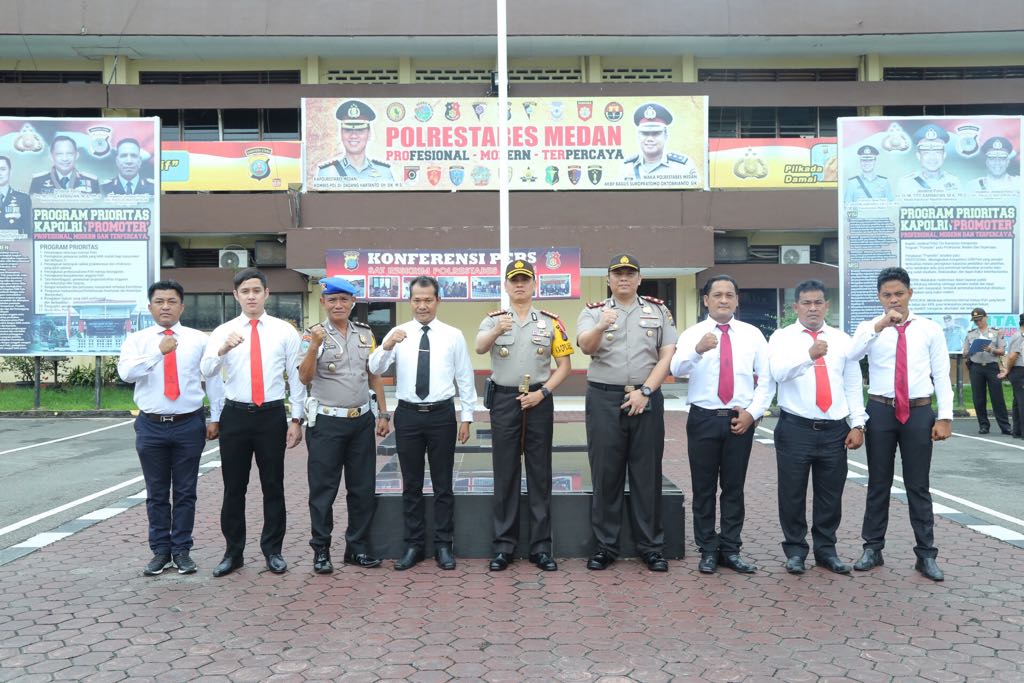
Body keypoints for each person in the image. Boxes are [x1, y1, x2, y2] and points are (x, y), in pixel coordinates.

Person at [848, 267, 952, 582]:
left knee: (918, 485)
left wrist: (945, 416)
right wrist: (879, 326)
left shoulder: (929, 329)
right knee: (878, 483)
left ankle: (926, 554)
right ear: (879, 298)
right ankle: (872, 548)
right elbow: (851, 356)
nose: (894, 300)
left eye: (899, 293)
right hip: (880, 411)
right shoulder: (869, 327)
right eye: (887, 295)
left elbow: (942, 373)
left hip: (919, 413)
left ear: (910, 293)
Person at [201, 268, 306, 577]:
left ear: (266, 294)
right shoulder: (224, 331)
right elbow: (206, 371)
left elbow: (296, 376)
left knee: (273, 486)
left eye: (256, 291)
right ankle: (233, 553)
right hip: (236, 416)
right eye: (244, 291)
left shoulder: (284, 331)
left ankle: (273, 550)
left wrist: (297, 418)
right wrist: (222, 350)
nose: (251, 296)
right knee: (234, 488)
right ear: (236, 296)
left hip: (271, 415)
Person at [367, 275, 477, 570]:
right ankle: (413, 545)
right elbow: (375, 368)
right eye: (417, 300)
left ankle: (443, 545)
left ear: (438, 300)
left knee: (443, 484)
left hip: (442, 415)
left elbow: (465, 377)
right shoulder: (399, 332)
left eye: (428, 300)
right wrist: (387, 344)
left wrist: (467, 417)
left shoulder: (452, 335)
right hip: (409, 416)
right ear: (410, 301)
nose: (422, 305)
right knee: (411, 484)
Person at [576, 254, 677, 572]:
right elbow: (585, 346)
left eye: (629, 273)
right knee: (606, 474)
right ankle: (605, 546)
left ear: (638, 278)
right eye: (617, 274)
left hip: (646, 399)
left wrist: (646, 392)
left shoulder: (658, 311)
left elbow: (666, 355)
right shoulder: (593, 312)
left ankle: (651, 547)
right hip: (605, 399)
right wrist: (602, 326)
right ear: (608, 279)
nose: (623, 278)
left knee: (647, 475)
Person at [117, 280, 224, 576]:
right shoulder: (137, 340)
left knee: (186, 491)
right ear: (150, 306)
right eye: (160, 301)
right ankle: (160, 551)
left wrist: (215, 417)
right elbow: (126, 374)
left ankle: (182, 551)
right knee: (156, 492)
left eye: (172, 301)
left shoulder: (197, 339)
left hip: (188, 424)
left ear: (182, 306)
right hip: (151, 426)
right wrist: (158, 353)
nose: (166, 306)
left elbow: (212, 379)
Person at [671, 275, 773, 575]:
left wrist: (752, 414)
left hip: (738, 420)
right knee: (703, 489)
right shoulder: (694, 333)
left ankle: (731, 548)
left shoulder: (752, 334)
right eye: (717, 295)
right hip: (703, 418)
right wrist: (697, 350)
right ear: (706, 300)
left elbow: (767, 380)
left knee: (733, 488)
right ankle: (707, 548)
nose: (724, 300)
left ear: (737, 300)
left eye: (730, 294)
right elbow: (676, 369)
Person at [475, 260, 573, 572]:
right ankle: (504, 546)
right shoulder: (493, 320)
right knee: (505, 473)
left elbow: (565, 366)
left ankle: (541, 548)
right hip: (504, 400)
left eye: (525, 280)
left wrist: (543, 393)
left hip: (539, 399)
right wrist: (494, 332)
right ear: (505, 286)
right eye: (514, 280)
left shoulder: (551, 323)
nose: (519, 285)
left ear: (534, 286)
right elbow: (478, 348)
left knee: (540, 472)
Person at [767, 279, 866, 575]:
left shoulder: (842, 340)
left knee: (830, 494)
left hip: (834, 428)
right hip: (795, 427)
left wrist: (858, 423)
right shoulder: (782, 338)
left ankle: (826, 550)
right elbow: (778, 373)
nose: (813, 308)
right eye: (806, 303)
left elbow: (851, 384)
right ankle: (795, 550)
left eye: (818, 302)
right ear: (795, 306)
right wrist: (808, 356)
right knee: (792, 493)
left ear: (827, 305)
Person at [298, 276, 391, 573]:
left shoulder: (365, 334)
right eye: (332, 299)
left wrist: (383, 413)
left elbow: (373, 374)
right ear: (323, 302)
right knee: (323, 489)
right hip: (327, 423)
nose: (338, 304)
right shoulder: (312, 335)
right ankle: (321, 550)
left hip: (361, 421)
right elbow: (304, 377)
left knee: (362, 488)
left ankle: (357, 548)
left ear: (353, 303)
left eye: (344, 299)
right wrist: (314, 346)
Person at [315, 99, 395, 183]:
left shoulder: (384, 172)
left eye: (360, 130)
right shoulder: (327, 172)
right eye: (348, 130)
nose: (353, 136)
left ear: (369, 134)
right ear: (341, 134)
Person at [622, 102, 700, 185]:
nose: (650, 139)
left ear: (666, 135)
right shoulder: (627, 167)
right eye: (645, 133)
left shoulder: (683, 166)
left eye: (656, 133)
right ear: (638, 136)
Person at [962, 307, 1010, 435]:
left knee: (997, 397)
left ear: (986, 318)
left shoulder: (996, 332)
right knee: (978, 398)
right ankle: (983, 425)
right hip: (976, 367)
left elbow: (1002, 351)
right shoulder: (970, 334)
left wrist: (991, 350)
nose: (978, 322)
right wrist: (971, 350)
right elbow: (964, 353)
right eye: (975, 320)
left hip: (991, 366)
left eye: (980, 319)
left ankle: (1005, 426)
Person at [896, 124, 961, 195]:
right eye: (926, 152)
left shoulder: (954, 181)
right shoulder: (906, 183)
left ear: (944, 155)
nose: (932, 157)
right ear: (918, 156)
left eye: (937, 152)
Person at [28, 135, 100, 194]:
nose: (65, 159)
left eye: (69, 154)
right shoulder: (38, 181)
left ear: (77, 155)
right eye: (59, 154)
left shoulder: (91, 181)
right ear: (51, 157)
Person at [997, 313, 1024, 439]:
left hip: (1019, 370)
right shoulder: (1019, 336)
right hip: (1020, 370)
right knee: (1021, 401)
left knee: (1018, 401)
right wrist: (1007, 369)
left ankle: (1017, 431)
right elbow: (1013, 356)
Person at [0, 155, 32, 234]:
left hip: (15, 245)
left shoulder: (23, 199)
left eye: (3, 169)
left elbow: (28, 230)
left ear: (10, 172)